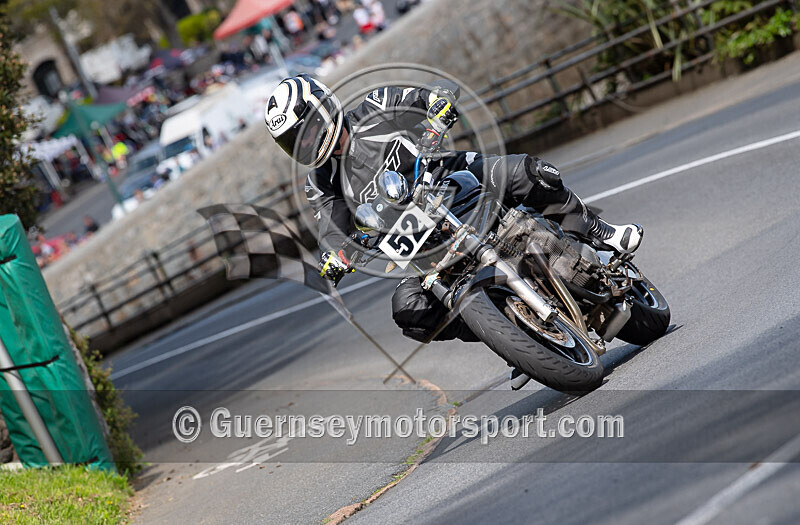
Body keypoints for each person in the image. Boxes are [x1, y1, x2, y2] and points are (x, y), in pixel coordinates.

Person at [264, 75, 643, 342]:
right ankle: (514, 329)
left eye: (306, 130)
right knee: (409, 310)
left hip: (455, 179)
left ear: (324, 108)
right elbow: (333, 232)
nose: (305, 143)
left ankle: (601, 234)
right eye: (293, 141)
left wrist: (437, 106)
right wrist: (337, 256)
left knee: (530, 173)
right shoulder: (321, 184)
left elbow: (430, 95)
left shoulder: (376, 107)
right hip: (418, 243)